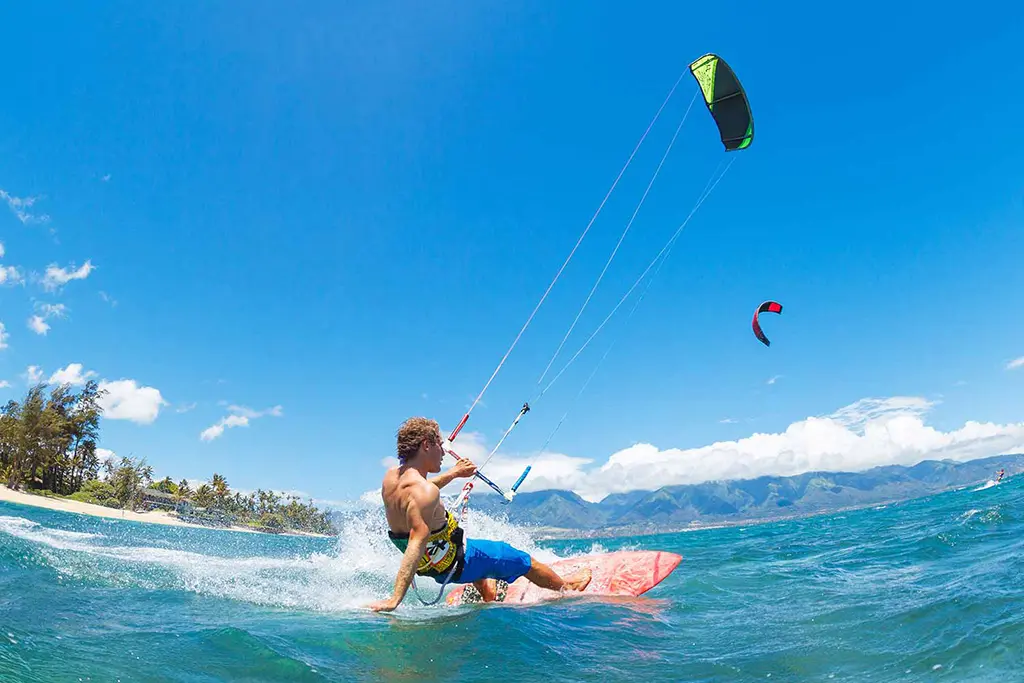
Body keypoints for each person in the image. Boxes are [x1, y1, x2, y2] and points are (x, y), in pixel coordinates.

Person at [368, 416, 591, 612]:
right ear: (426, 445)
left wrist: (454, 474)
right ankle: (567, 587)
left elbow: (420, 492)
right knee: (523, 560)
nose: (443, 450)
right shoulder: (425, 492)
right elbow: (416, 542)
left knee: (471, 554)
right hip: (457, 562)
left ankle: (488, 598)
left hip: (432, 567)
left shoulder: (392, 478)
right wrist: (394, 599)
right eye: (439, 443)